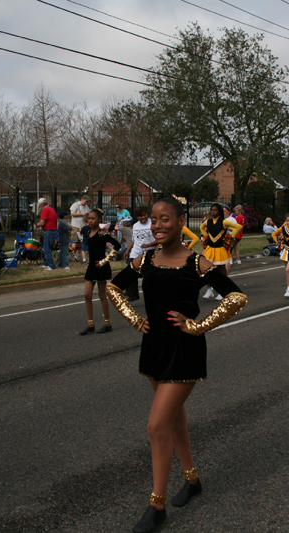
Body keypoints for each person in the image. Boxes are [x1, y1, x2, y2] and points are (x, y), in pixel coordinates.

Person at [105, 197, 247, 533]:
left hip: (184, 351)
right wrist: (134, 319)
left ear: (181, 221)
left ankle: (157, 505)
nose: (157, 225)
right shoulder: (145, 259)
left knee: (157, 425)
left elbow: (236, 297)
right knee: (174, 422)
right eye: (154, 220)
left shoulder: (197, 263)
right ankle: (192, 480)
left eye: (165, 219)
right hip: (154, 348)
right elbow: (114, 287)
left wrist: (199, 325)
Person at [80, 209, 122, 335]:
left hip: (101, 266)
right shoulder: (88, 232)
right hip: (92, 266)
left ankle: (107, 324)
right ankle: (90, 324)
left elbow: (117, 246)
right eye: (89, 218)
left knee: (102, 295)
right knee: (87, 295)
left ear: (99, 220)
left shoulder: (101, 233)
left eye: (93, 218)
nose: (90, 221)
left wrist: (106, 260)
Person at [200, 203, 242, 299]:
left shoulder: (223, 222)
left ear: (219, 212)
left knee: (221, 269)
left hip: (220, 248)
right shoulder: (208, 221)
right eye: (212, 210)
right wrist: (205, 236)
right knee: (207, 269)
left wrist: (230, 237)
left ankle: (222, 291)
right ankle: (209, 289)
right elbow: (201, 227)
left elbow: (238, 227)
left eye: (215, 210)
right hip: (210, 249)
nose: (213, 212)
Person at [125, 207, 156, 301]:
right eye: (140, 216)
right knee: (130, 272)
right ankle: (132, 294)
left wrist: (148, 245)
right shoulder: (135, 226)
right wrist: (128, 250)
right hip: (136, 252)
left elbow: (159, 240)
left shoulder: (153, 223)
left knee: (148, 276)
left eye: (144, 215)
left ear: (147, 214)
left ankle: (152, 295)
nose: (143, 217)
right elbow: (134, 240)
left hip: (150, 252)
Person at [35, 198, 58, 271]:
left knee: (47, 249)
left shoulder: (45, 210)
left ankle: (52, 266)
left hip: (48, 231)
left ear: (41, 205)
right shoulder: (52, 209)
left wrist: (36, 225)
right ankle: (46, 263)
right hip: (53, 230)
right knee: (49, 248)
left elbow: (42, 222)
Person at [70, 196, 90, 263]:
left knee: (82, 241)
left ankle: (80, 254)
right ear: (82, 199)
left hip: (83, 226)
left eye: (87, 202)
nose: (86, 203)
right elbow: (72, 214)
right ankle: (73, 254)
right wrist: (81, 214)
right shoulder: (75, 205)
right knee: (74, 240)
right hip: (76, 225)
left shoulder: (86, 207)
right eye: (86, 201)